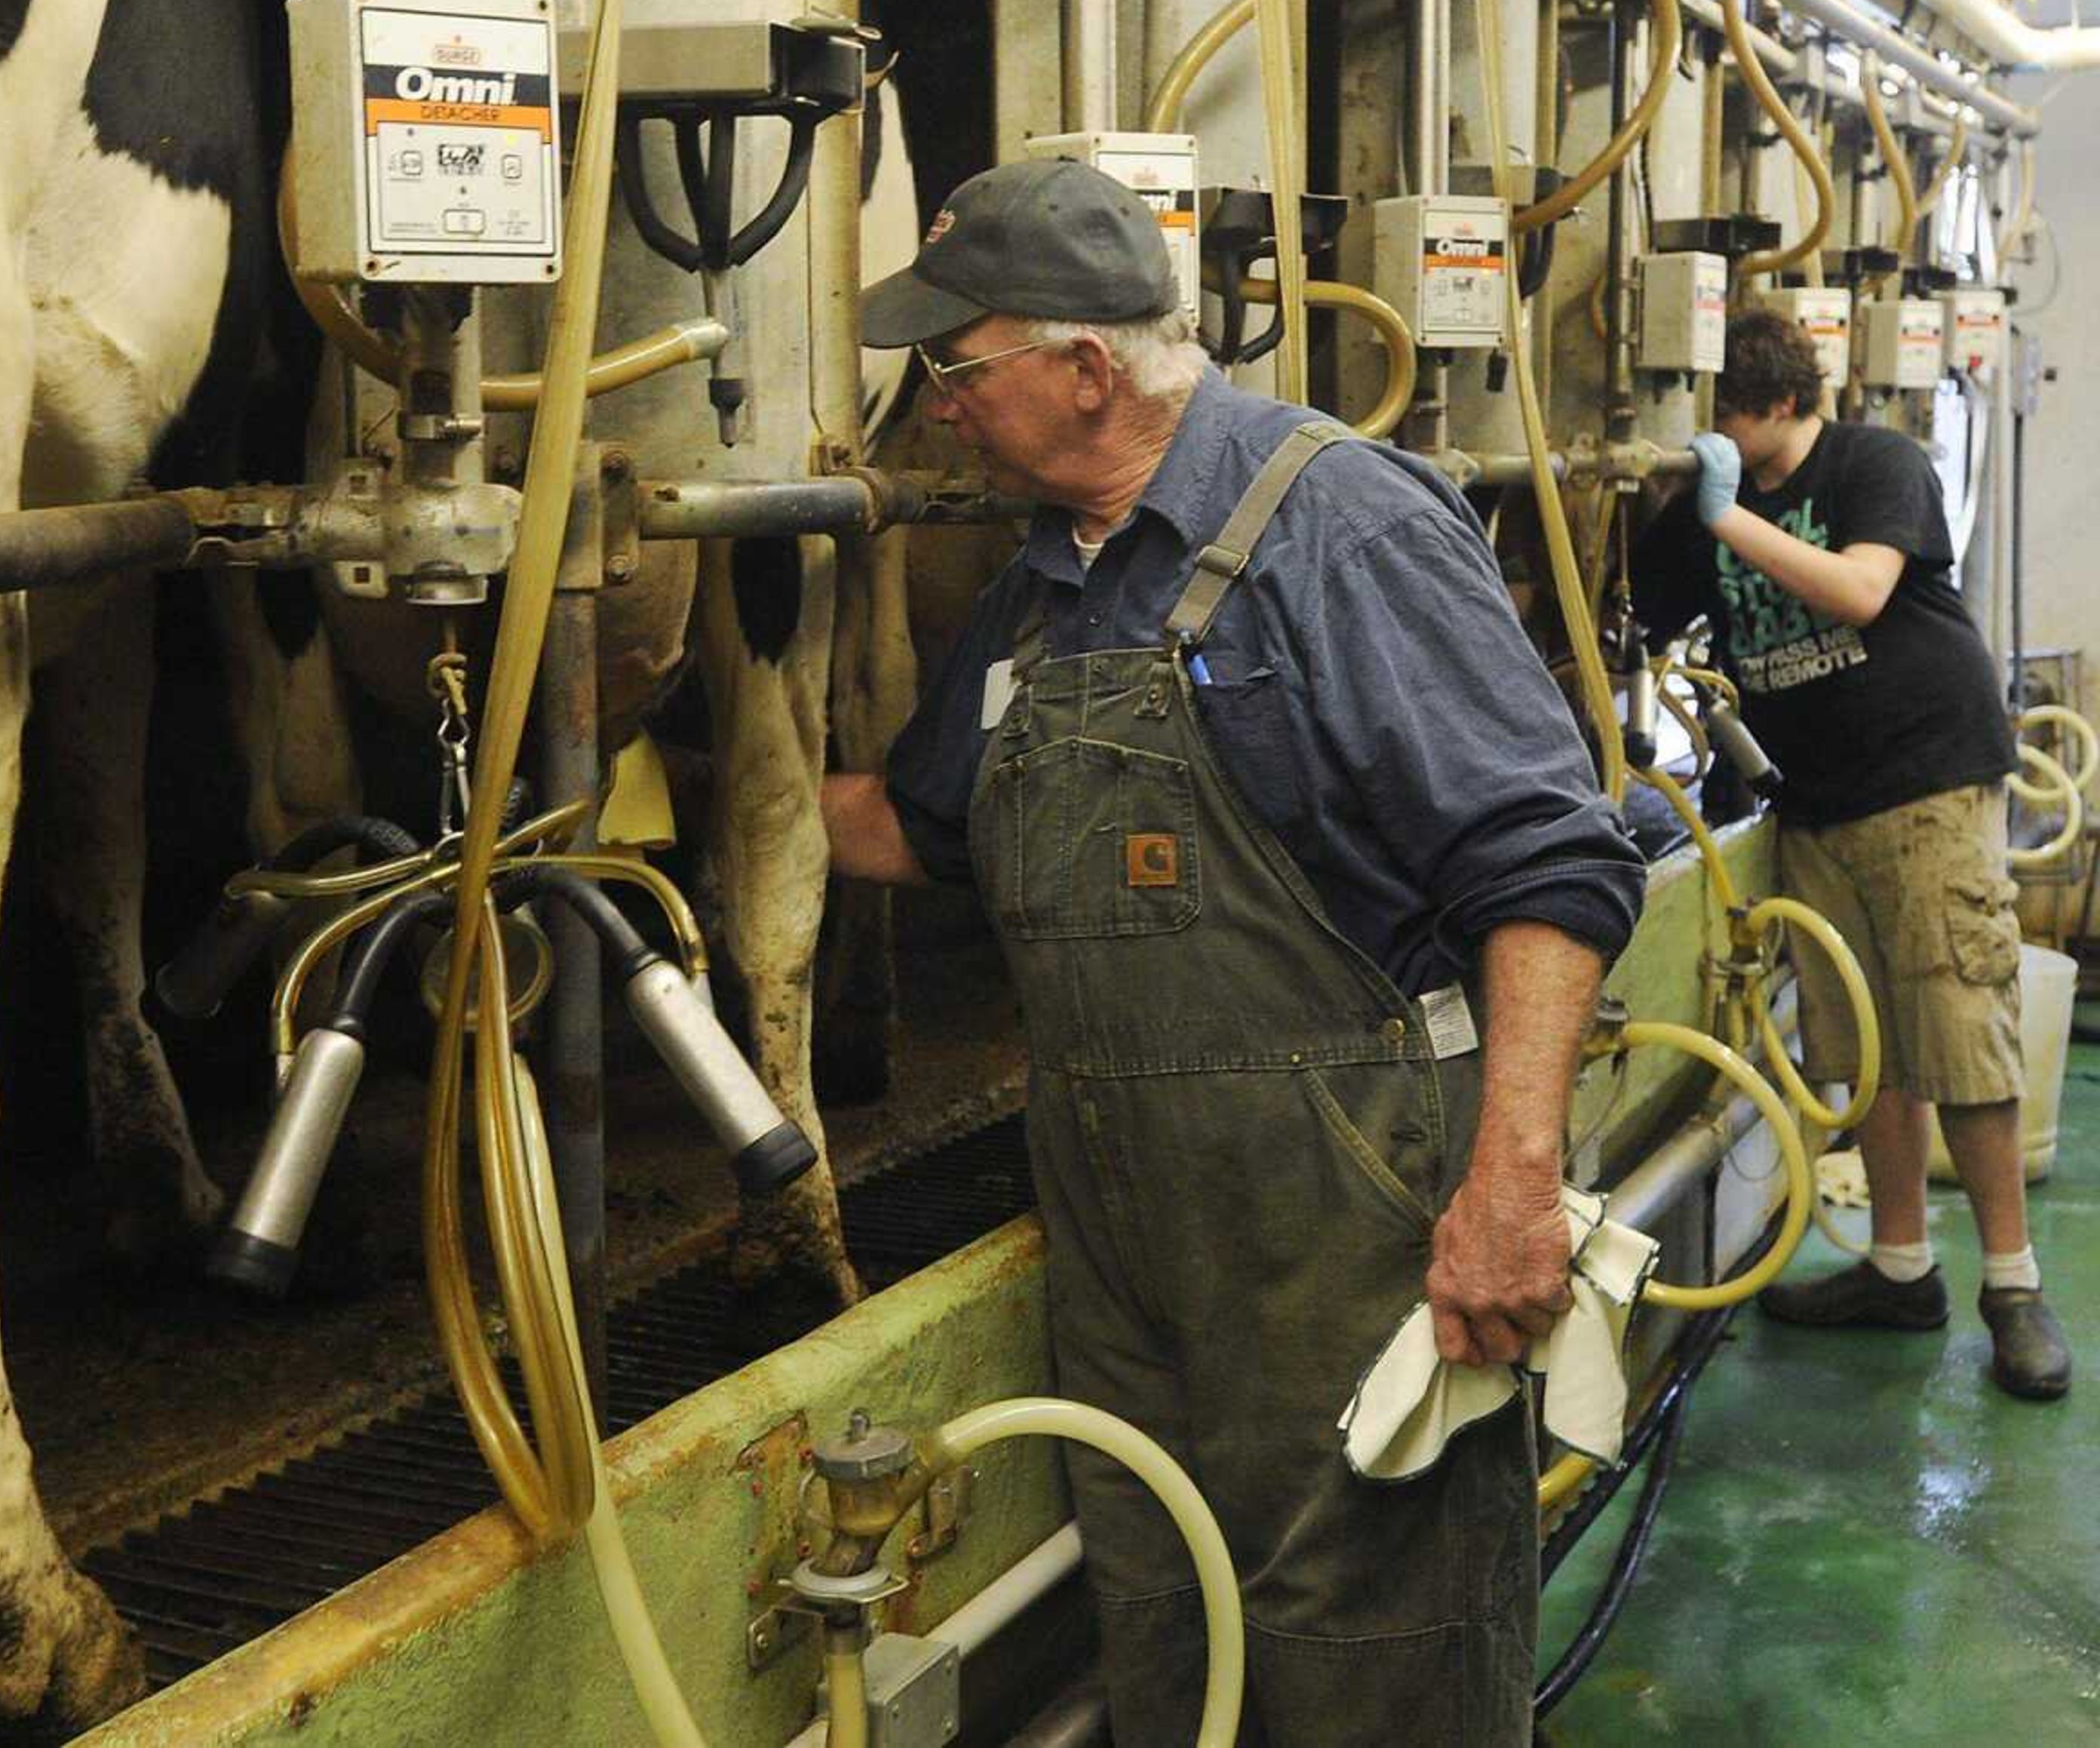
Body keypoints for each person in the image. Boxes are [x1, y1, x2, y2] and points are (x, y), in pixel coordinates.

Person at [826, 158, 1646, 1746]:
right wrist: (666, 805)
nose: (933, 409)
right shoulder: (1039, 596)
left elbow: (1550, 863)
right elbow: (915, 829)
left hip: (1347, 1231)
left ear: (1082, 371)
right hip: (1133, 1255)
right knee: (1176, 1644)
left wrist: (1514, 1187)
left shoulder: (1338, 521)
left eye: (953, 368)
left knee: (1369, 1654)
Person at [1638, 307, 2068, 1400]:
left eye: (1730, 411)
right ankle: (1900, 1264)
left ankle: (2013, 1287)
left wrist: (1726, 516)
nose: (1714, 432)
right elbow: (1637, 617)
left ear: (1782, 403)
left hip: (1924, 777)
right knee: (1867, 1038)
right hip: (1813, 802)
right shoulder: (1707, 501)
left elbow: (1863, 589)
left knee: (1958, 1020)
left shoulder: (1876, 462)